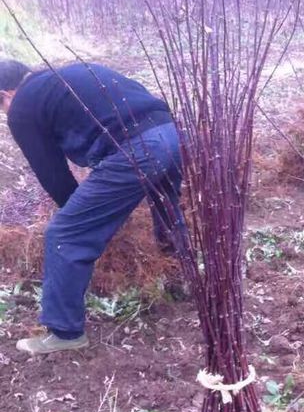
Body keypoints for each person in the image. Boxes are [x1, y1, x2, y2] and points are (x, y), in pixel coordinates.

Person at [0, 59, 184, 355]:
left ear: (7, 93)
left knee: (65, 234)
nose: (4, 112)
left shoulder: (22, 106)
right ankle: (182, 282)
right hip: (171, 134)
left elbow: (54, 175)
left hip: (137, 148)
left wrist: (84, 218)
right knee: (167, 212)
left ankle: (64, 331)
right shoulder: (65, 74)